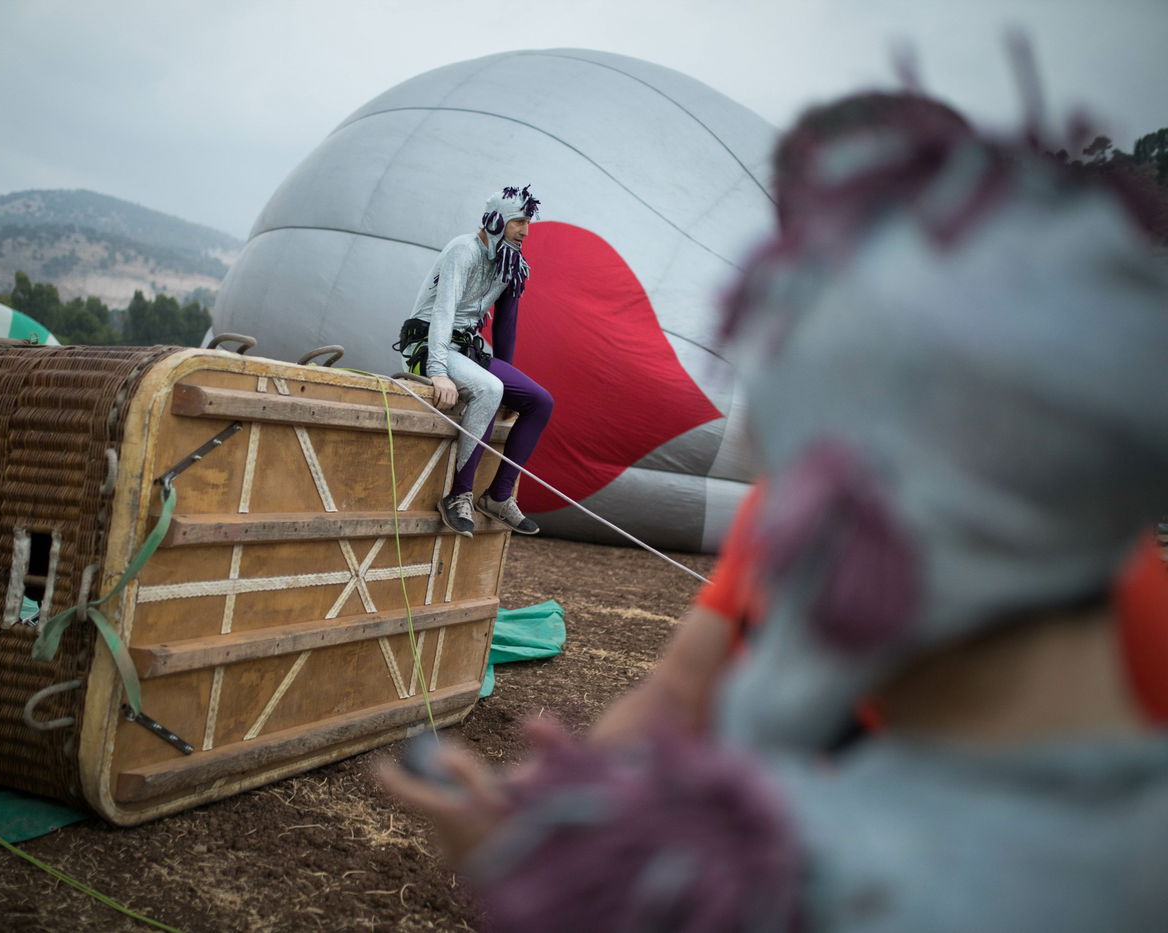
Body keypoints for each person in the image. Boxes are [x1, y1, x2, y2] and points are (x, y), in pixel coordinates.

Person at [381, 100, 1168, 931]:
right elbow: (678, 691)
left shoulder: (1118, 611)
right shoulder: (803, 515)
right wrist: (560, 812)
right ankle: (478, 486)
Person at [396, 185, 554, 537]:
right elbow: (443, 310)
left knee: (540, 402)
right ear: (497, 220)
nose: (526, 231)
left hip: (468, 350)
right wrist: (437, 371)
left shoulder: (511, 263)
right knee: (488, 388)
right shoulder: (462, 249)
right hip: (428, 345)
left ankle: (497, 497)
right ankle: (458, 495)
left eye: (528, 223)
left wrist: (511, 394)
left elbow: (506, 326)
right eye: (519, 222)